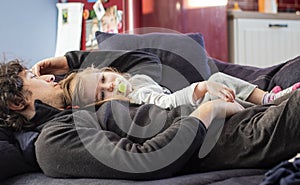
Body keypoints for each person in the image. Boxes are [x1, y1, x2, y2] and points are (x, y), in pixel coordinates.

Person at [1, 50, 300, 181]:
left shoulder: (81, 102)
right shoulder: (53, 140)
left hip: (229, 116)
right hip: (222, 135)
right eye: (32, 77)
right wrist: (207, 112)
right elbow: (144, 160)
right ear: (16, 102)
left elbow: (146, 62)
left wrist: (71, 60)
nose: (48, 78)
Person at [60, 66, 297, 109]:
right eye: (103, 93)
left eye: (103, 79)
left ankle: (264, 99)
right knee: (216, 80)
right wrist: (202, 87)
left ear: (108, 71)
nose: (110, 85)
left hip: (185, 106)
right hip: (186, 114)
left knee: (221, 85)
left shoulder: (137, 80)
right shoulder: (136, 98)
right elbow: (167, 102)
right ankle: (267, 101)